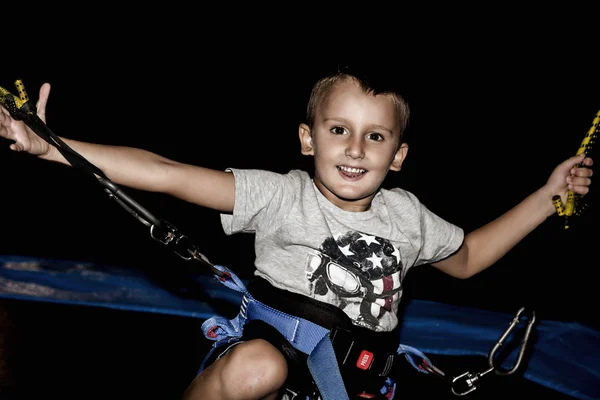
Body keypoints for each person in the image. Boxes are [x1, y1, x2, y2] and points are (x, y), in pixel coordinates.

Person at [0, 66, 593, 400]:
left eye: (376, 136)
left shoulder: (408, 216)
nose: (355, 148)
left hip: (354, 384)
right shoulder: (283, 195)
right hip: (274, 354)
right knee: (260, 367)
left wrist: (548, 196)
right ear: (309, 140)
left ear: (400, 154)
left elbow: (468, 258)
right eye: (339, 129)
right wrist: (52, 148)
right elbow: (168, 173)